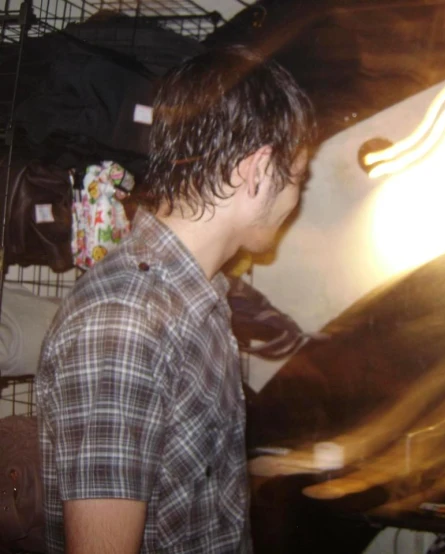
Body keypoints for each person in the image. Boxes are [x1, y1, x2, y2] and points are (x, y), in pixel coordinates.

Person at [36, 44, 315, 554]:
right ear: (256, 171)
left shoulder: (197, 300)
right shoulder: (123, 323)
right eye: (297, 178)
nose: (297, 199)